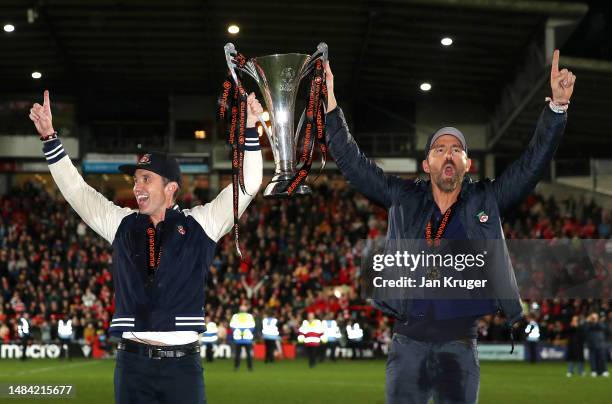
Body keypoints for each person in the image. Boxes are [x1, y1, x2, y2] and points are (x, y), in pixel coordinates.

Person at [324, 49, 575, 404]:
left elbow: (531, 165)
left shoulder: (484, 200)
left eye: (456, 149)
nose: (448, 153)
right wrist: (331, 104)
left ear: (467, 164)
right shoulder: (403, 197)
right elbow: (352, 163)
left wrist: (557, 110)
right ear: (427, 164)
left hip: (459, 346)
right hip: (406, 344)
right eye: (439, 148)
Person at [29, 90, 263, 403]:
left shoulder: (202, 223)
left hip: (183, 368)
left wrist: (249, 129)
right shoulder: (121, 223)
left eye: (145, 179)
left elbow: (248, 182)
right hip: (131, 365)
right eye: (135, 180)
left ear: (171, 188)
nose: (136, 186)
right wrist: (50, 139)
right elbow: (77, 192)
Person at [230, 305, 256, 371]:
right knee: (248, 354)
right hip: (247, 338)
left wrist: (238, 332)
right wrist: (246, 332)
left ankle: (236, 367)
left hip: (238, 338)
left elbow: (232, 327)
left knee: (237, 354)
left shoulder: (235, 316)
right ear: (246, 310)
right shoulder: (249, 316)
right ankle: (250, 367)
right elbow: (253, 327)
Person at [585, 312, 609, 377]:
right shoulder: (588, 324)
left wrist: (596, 321)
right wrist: (587, 321)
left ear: (597, 317)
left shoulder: (601, 323)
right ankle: (593, 371)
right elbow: (584, 330)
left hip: (601, 344)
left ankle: (604, 371)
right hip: (592, 345)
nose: (593, 318)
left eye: (595, 317)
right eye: (592, 317)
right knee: (592, 359)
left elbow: (603, 327)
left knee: (602, 359)